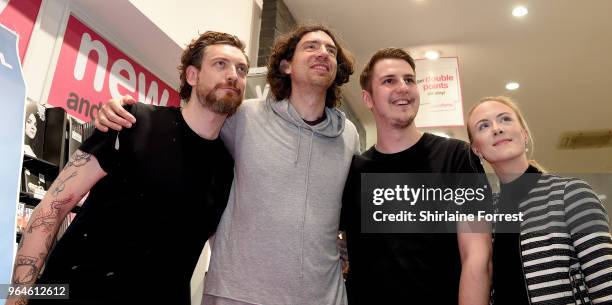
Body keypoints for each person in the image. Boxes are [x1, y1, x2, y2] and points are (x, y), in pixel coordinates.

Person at [94, 24, 360, 305]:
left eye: (330, 51)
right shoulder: (244, 117)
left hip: (323, 297)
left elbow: (346, 210)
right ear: (286, 66)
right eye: (311, 47)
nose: (323, 54)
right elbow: (189, 127)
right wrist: (121, 108)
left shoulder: (349, 136)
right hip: (237, 294)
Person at [8, 31, 248, 305]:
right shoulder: (131, 121)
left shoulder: (228, 168)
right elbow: (52, 208)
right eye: (221, 64)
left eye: (241, 69)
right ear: (192, 76)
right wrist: (17, 298)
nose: (233, 75)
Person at [340, 48, 492, 305]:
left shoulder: (456, 157)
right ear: (368, 99)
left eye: (409, 80)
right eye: (389, 81)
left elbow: (477, 256)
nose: (403, 88)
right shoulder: (354, 172)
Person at [467, 96, 612, 305]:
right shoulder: (486, 214)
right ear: (476, 150)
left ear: (524, 135)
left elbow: (605, 284)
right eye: (484, 126)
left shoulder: (570, 192)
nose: (497, 129)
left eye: (505, 119)